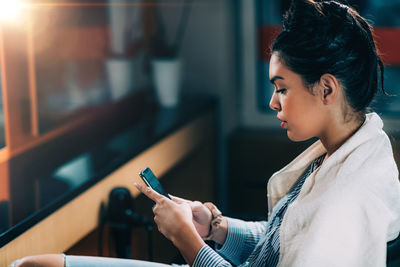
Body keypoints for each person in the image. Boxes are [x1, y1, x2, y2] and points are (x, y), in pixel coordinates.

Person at [11, 0, 400, 266]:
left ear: (327, 89)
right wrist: (214, 227)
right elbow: (286, 239)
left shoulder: (346, 202)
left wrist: (188, 242)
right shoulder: (348, 148)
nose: (272, 102)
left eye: (282, 88)